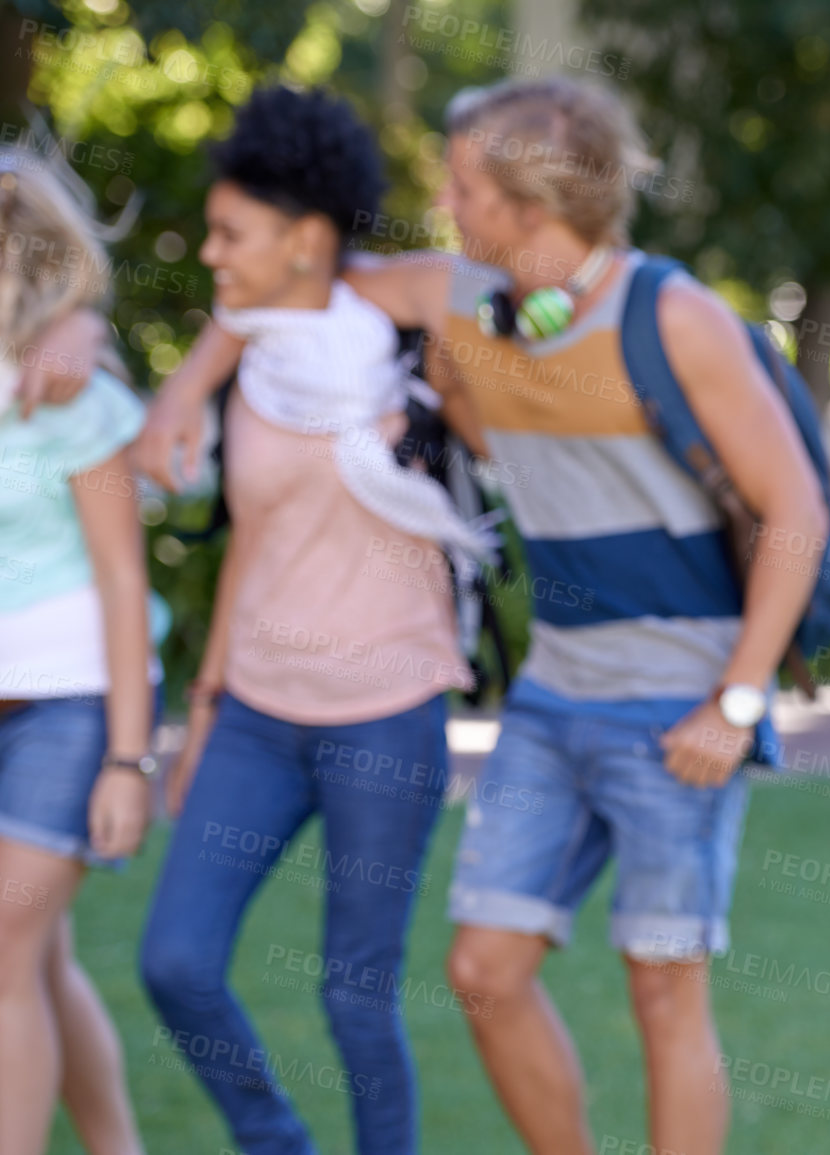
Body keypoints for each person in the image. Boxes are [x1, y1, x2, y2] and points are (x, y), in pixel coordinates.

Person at [131, 75, 829, 1155]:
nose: (447, 205)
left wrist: (738, 700)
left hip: (681, 699)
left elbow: (796, 511)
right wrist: (186, 389)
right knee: (483, 972)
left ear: (529, 205)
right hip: (555, 691)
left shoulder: (671, 317)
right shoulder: (463, 293)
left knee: (661, 992)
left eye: (464, 187)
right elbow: (301, 280)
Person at [134, 87, 481, 1155]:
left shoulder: (400, 339)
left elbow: (496, 281)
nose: (209, 252)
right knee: (176, 962)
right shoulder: (255, 360)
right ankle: (273, 1142)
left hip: (386, 715)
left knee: (355, 1000)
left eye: (233, 233)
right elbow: (253, 532)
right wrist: (200, 707)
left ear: (309, 237)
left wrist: (346, 284)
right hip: (255, 717)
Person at [0, 144, 157, 1155]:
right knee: (39, 959)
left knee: (4, 960)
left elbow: (124, 580)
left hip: (69, 703)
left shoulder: (76, 398)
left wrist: (128, 760)